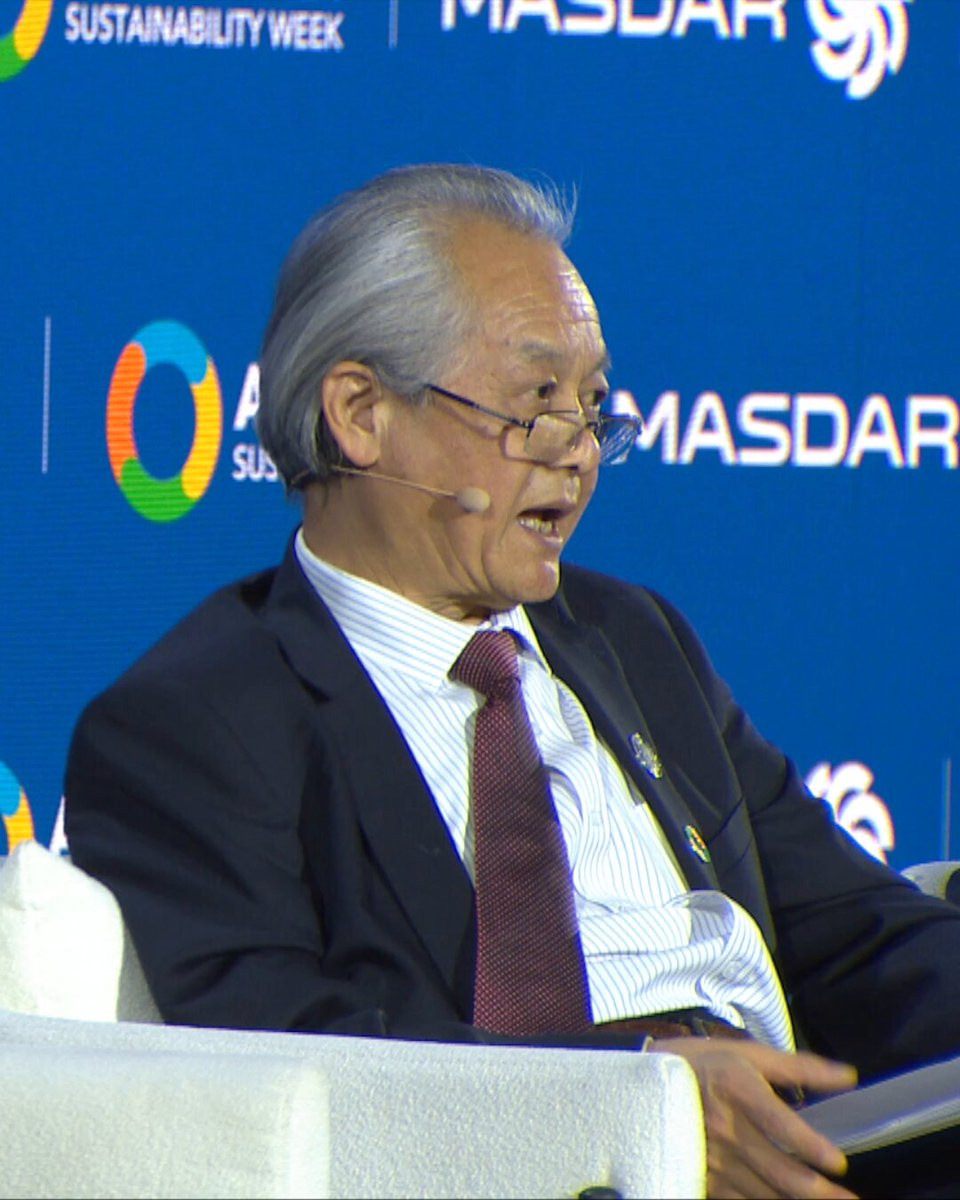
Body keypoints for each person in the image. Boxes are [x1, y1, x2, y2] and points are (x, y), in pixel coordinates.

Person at [65, 164, 960, 1199]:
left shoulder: (631, 637)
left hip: (816, 1151)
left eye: (594, 408)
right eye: (537, 405)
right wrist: (639, 1110)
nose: (577, 454)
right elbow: (286, 1064)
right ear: (359, 412)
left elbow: (854, 932)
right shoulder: (191, 723)